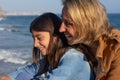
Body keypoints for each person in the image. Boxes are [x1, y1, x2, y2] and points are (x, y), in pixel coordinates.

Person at [0, 12, 94, 80]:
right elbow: (31, 69)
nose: (35, 44)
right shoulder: (54, 56)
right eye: (34, 38)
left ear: (55, 36)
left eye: (39, 38)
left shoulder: (74, 58)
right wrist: (9, 77)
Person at [59, 0, 120, 80]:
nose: (61, 29)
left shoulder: (116, 49)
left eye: (68, 23)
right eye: (62, 21)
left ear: (88, 23)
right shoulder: (80, 47)